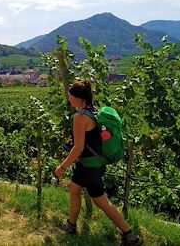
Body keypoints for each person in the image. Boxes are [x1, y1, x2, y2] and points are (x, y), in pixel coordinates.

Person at [54, 80, 143, 246]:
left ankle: (130, 236)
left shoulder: (79, 117)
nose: (68, 98)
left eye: (70, 95)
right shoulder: (93, 112)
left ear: (79, 98)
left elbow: (78, 148)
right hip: (94, 164)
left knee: (101, 201)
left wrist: (62, 167)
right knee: (74, 189)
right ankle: (71, 225)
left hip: (89, 167)